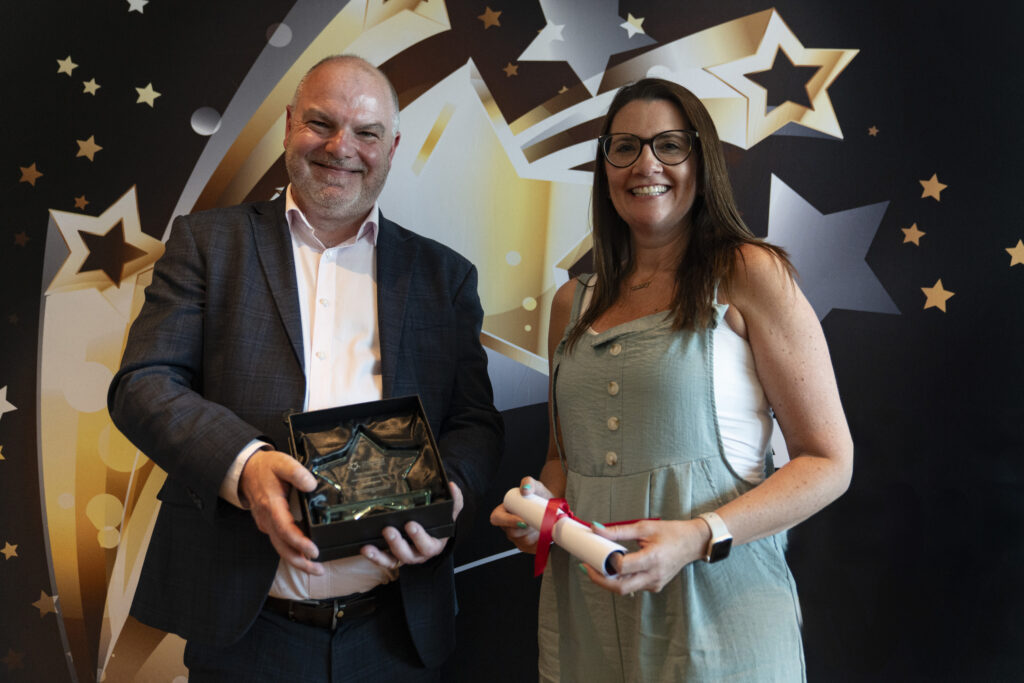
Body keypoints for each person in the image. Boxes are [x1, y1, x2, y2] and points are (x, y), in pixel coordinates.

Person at [108, 55, 503, 681]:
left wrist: (447, 499)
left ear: (392, 146)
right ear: (290, 124)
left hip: (397, 630)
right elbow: (143, 385)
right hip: (248, 628)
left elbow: (475, 421)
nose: (341, 147)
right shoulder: (208, 244)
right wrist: (245, 464)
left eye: (366, 132)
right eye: (321, 123)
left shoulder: (443, 275)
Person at [490, 78, 853, 682]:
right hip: (588, 607)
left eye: (669, 145)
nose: (646, 165)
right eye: (625, 147)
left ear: (701, 158)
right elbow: (561, 460)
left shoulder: (747, 273)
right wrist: (538, 514)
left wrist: (699, 535)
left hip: (720, 604)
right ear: (605, 165)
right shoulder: (570, 303)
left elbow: (829, 462)